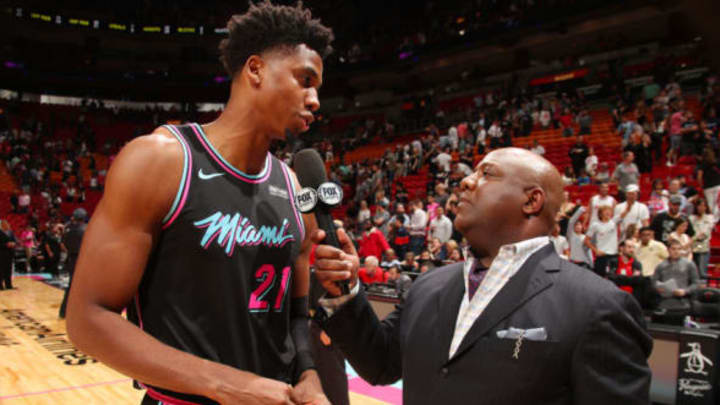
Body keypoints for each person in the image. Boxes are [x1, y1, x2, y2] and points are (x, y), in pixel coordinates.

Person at [66, 3, 334, 404]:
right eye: (304, 80)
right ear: (255, 70)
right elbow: (88, 319)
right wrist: (226, 384)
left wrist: (308, 372)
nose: (314, 100)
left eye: (317, 88)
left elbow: (295, 316)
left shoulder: (295, 187)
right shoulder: (161, 160)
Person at [311, 147, 651, 404]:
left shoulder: (598, 305)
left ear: (532, 201)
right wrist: (346, 290)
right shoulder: (429, 285)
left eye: (487, 174)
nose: (467, 181)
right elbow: (380, 364)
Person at [652, 240, 700, 314]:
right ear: (668, 250)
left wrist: (685, 291)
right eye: (673, 249)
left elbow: (696, 283)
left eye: (679, 249)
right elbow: (654, 283)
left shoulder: (689, 264)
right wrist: (658, 289)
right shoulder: (661, 265)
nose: (676, 251)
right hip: (664, 303)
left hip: (683, 303)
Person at [59, 208, 88, 318]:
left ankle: (64, 311)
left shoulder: (67, 229)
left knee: (71, 287)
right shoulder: (85, 229)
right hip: (82, 259)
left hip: (71, 258)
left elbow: (63, 245)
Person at [585, 205, 619, 278]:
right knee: (601, 278)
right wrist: (595, 250)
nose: (608, 212)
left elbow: (624, 213)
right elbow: (586, 240)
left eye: (609, 210)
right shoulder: (595, 225)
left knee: (614, 278)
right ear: (600, 214)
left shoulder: (614, 222)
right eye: (605, 210)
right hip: (602, 255)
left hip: (614, 255)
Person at [689, 198, 715, 279]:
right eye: (699, 205)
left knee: (702, 272)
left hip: (703, 248)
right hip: (691, 249)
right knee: (692, 272)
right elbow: (689, 232)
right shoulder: (691, 218)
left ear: (706, 207)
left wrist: (694, 238)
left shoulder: (710, 218)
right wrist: (694, 238)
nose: (701, 207)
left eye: (703, 206)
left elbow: (705, 233)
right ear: (696, 207)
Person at [0, 220, 16, 290]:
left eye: (7, 223)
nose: (7, 225)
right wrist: (6, 245)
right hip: (2, 254)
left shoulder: (10, 232)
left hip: (10, 253)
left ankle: (8, 285)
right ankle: (0, 286)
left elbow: (14, 240)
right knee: (1, 270)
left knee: (8, 270)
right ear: (2, 225)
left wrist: (14, 243)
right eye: (5, 224)